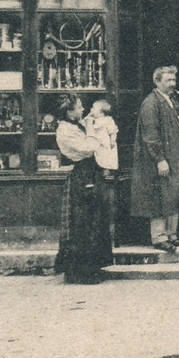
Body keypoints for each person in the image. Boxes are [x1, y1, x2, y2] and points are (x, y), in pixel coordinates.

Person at [53, 96, 114, 283]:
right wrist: (91, 130)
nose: (83, 110)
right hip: (81, 176)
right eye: (79, 107)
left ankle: (93, 267)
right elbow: (89, 147)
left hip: (90, 173)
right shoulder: (65, 130)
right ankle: (80, 271)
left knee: (94, 220)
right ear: (69, 112)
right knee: (81, 223)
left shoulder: (76, 125)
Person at [133, 66, 179, 252]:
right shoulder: (151, 103)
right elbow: (150, 135)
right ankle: (159, 237)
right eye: (168, 81)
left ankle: (171, 235)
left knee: (172, 195)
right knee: (159, 197)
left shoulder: (172, 101)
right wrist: (160, 159)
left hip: (174, 159)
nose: (173, 84)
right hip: (160, 162)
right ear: (157, 82)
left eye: (174, 80)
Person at [84, 98, 120, 179]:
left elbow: (113, 131)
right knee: (98, 157)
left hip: (106, 144)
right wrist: (88, 117)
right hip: (97, 143)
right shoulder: (92, 120)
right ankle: (97, 174)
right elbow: (84, 123)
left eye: (93, 108)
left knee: (106, 158)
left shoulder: (107, 120)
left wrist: (112, 140)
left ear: (100, 112)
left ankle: (107, 172)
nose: (91, 109)